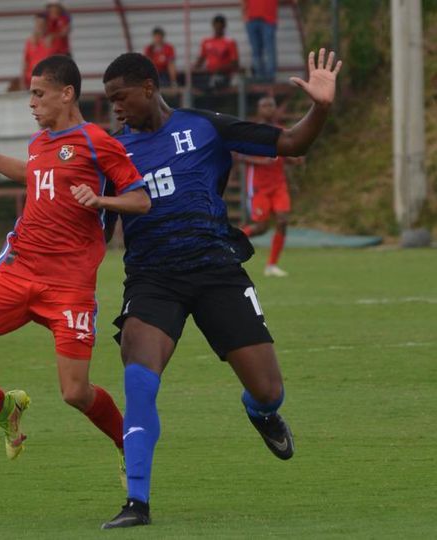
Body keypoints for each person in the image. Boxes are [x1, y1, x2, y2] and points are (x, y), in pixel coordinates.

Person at [98, 49, 341, 528]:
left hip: (216, 272)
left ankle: (262, 413)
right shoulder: (111, 151)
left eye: (120, 97)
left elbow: (289, 143)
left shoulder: (204, 127)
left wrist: (322, 107)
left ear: (148, 87)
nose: (116, 108)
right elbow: (97, 232)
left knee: (269, 390)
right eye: (109, 101)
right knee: (139, 378)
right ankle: (137, 503)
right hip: (152, 279)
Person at [0, 56, 149, 470]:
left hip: (69, 284)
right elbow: (32, 174)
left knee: (75, 393)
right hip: (18, 268)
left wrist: (101, 200)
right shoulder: (40, 143)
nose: (31, 103)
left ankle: (130, 450)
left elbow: (140, 199)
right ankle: (4, 408)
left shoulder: (97, 141)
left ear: (66, 94)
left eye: (38, 93)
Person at [239, 96, 304, 277]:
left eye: (271, 105)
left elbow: (284, 156)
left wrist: (295, 159)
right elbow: (240, 156)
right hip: (259, 186)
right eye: (264, 106)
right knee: (260, 227)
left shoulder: (281, 131)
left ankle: (271, 265)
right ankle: (229, 239)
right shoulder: (251, 132)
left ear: (275, 109)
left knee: (283, 220)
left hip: (278, 185)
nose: (268, 109)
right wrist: (261, 161)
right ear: (258, 110)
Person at [192, 14, 239, 90]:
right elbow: (201, 60)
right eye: (216, 25)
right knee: (190, 81)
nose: (218, 28)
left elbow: (235, 64)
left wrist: (220, 68)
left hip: (223, 75)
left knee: (213, 83)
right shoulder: (206, 42)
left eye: (220, 26)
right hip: (208, 74)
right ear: (213, 26)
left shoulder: (230, 42)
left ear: (224, 26)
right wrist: (193, 70)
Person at [243, 0, 278, 82]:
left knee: (269, 49)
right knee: (256, 51)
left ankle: (270, 77)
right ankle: (258, 76)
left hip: (268, 19)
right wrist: (244, 15)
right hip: (251, 19)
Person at [22, 13, 54, 89]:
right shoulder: (30, 42)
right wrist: (22, 82)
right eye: (38, 24)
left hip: (46, 83)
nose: (40, 26)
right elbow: (25, 63)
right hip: (31, 82)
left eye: (42, 24)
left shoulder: (51, 41)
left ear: (46, 25)